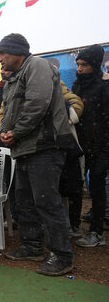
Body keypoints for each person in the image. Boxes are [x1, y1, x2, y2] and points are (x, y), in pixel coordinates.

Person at [0, 33, 74, 276]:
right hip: (24, 148)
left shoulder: (38, 66)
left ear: (17, 52)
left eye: (3, 53)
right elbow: (7, 111)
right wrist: (4, 131)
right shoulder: (13, 78)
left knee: (47, 201)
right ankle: (32, 246)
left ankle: (62, 255)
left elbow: (37, 104)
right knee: (25, 201)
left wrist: (16, 132)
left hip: (45, 147)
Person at [71, 44, 109, 247]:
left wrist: (104, 150)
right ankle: (74, 226)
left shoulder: (104, 87)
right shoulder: (77, 85)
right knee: (76, 185)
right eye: (77, 64)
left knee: (96, 188)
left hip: (100, 147)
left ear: (94, 65)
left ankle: (96, 233)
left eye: (84, 64)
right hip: (79, 146)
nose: (79, 68)